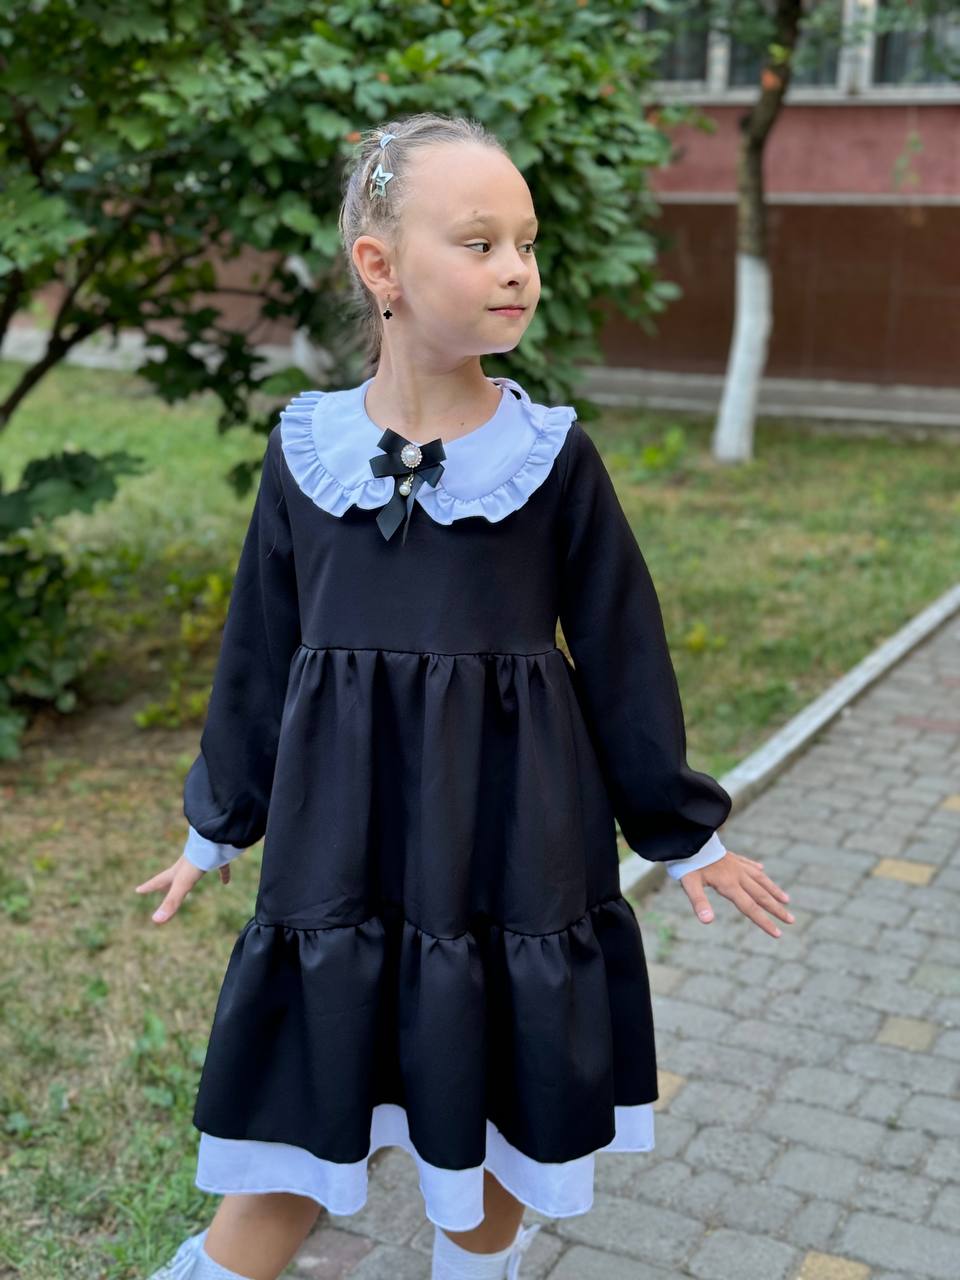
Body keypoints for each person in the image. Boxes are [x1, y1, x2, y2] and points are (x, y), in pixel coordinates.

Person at [135, 111, 793, 1280]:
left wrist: (684, 833)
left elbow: (624, 653)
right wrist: (217, 823)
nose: (517, 269)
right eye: (481, 243)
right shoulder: (306, 453)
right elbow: (260, 653)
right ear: (379, 267)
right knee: (288, 1151)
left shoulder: (548, 457)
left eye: (527, 244)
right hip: (342, 856)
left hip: (507, 851)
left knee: (486, 1134)